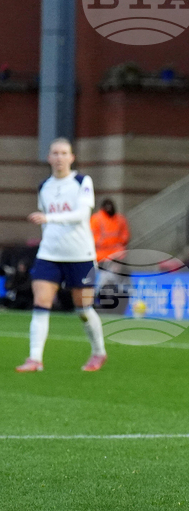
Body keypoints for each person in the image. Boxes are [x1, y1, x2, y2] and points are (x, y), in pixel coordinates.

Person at [16, 138, 107, 372]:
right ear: (48, 158)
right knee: (40, 303)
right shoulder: (44, 186)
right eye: (55, 153)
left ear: (72, 157)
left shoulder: (82, 182)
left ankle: (98, 352)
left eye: (64, 153)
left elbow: (81, 215)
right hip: (49, 254)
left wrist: (49, 218)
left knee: (83, 309)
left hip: (80, 254)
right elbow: (45, 223)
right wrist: (48, 231)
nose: (59, 158)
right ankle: (35, 358)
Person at [91, 198, 130, 262]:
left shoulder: (120, 219)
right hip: (101, 255)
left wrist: (119, 242)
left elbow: (125, 234)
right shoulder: (96, 219)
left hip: (117, 254)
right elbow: (92, 236)